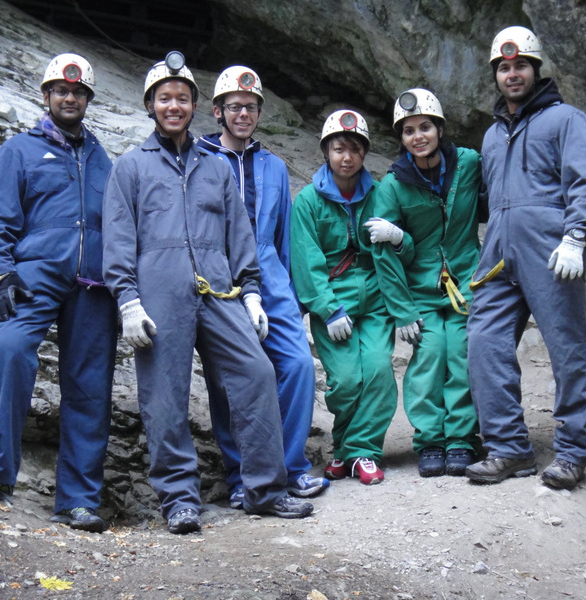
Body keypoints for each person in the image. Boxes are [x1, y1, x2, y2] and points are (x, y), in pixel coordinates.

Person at [101, 51, 313, 534]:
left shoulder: (214, 167)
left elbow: (239, 235)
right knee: (165, 395)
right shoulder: (131, 168)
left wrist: (253, 292)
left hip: (220, 292)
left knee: (257, 373)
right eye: (164, 98)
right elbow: (117, 239)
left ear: (194, 106)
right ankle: (179, 498)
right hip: (159, 296)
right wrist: (127, 300)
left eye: (181, 98)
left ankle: (265, 489)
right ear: (150, 105)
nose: (173, 105)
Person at [0, 54, 117, 533]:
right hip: (35, 274)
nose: (70, 98)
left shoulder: (102, 157)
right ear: (46, 96)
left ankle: (78, 501)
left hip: (93, 283)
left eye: (79, 92)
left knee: (89, 386)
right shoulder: (19, 151)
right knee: (7, 348)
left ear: (87, 100)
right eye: (61, 91)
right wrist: (3, 273)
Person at [465, 26, 586, 490]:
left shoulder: (567, 119)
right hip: (499, 252)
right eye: (504, 67)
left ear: (535, 69)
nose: (512, 73)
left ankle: (572, 452)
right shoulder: (489, 136)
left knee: (567, 348)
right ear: (496, 74)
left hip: (550, 251)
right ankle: (508, 447)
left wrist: (576, 236)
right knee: (484, 341)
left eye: (520, 65)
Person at [197, 66, 328, 506]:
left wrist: (290, 293)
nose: (242, 114)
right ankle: (241, 474)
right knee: (228, 379)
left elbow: (282, 234)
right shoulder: (199, 159)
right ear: (218, 112)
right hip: (220, 275)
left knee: (298, 366)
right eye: (234, 107)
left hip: (270, 274)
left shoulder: (273, 165)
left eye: (250, 107)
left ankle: (289, 467)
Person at [366, 89, 481, 478]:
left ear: (440, 128)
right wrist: (402, 310)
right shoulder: (393, 187)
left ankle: (462, 438)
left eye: (425, 127)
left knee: (463, 356)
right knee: (430, 358)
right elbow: (383, 254)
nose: (418, 136)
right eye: (409, 130)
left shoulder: (468, 163)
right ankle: (431, 439)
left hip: (467, 282)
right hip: (421, 292)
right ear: (400, 138)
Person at [291, 110, 398, 486]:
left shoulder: (382, 193)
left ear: (365, 153)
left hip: (377, 300)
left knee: (380, 372)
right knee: (348, 380)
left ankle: (360, 453)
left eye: (355, 149)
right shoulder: (307, 202)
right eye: (339, 148)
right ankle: (346, 447)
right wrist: (326, 308)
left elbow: (399, 250)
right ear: (326, 151)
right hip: (334, 303)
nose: (347, 157)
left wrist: (399, 238)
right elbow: (305, 261)